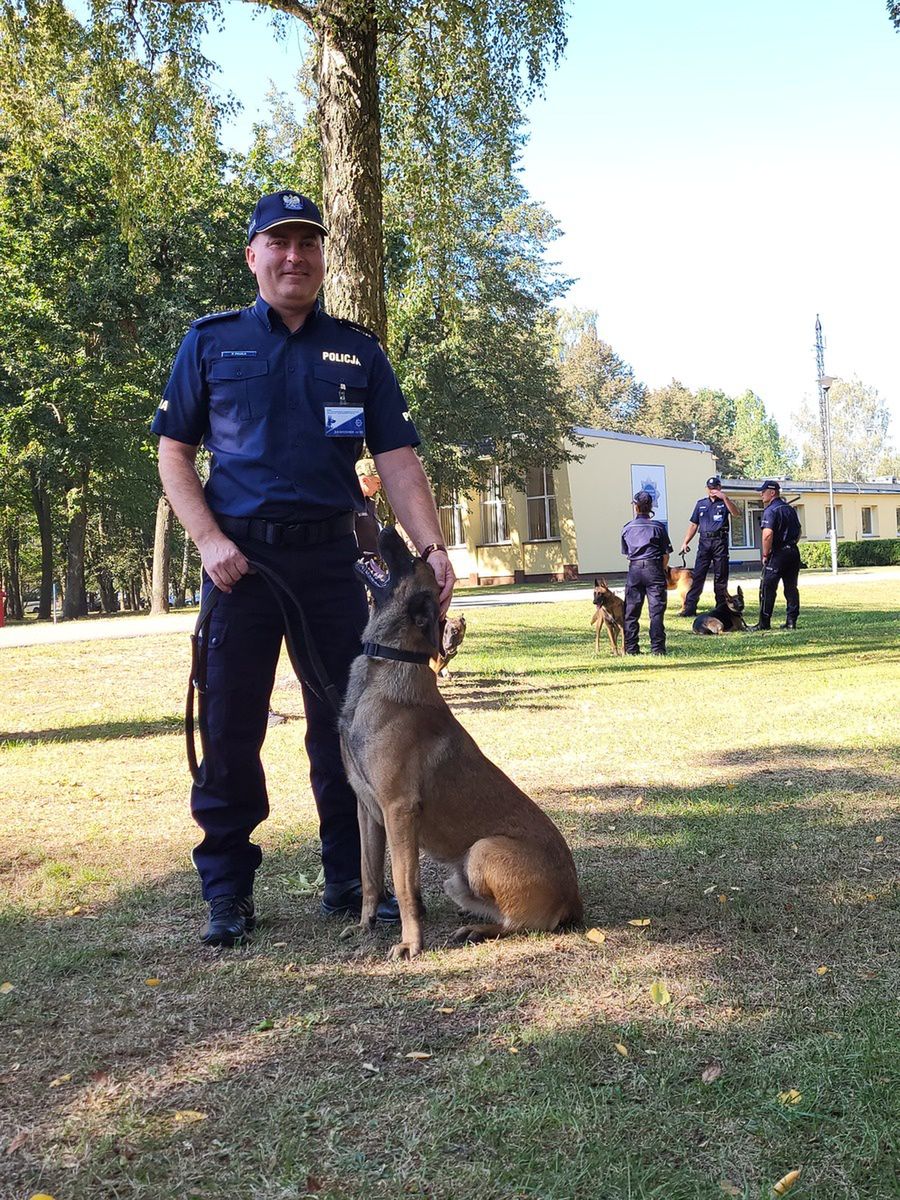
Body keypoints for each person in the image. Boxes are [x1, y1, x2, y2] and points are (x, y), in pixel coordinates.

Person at [152, 189, 455, 947]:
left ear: (323, 258)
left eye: (308, 245)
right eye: (278, 244)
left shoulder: (358, 350)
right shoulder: (212, 343)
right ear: (253, 256)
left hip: (332, 559)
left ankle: (352, 878)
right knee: (229, 727)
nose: (294, 257)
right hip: (240, 563)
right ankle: (227, 892)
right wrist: (208, 541)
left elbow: (397, 457)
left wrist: (432, 546)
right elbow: (174, 452)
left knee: (347, 725)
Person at [677, 475, 740, 616]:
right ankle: (690, 608)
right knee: (698, 575)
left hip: (720, 542)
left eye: (715, 488)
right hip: (704, 542)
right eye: (710, 488)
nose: (713, 491)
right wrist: (685, 541)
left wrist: (725, 498)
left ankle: (721, 607)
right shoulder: (701, 504)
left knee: (720, 576)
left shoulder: (725, 503)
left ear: (720, 488)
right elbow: (694, 524)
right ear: (707, 489)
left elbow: (736, 514)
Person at [620, 490, 672, 655]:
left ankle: (631, 648)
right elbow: (666, 554)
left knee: (631, 612)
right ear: (650, 507)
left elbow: (627, 553)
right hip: (654, 568)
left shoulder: (627, 528)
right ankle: (657, 649)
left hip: (635, 569)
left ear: (636, 507)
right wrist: (661, 570)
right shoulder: (658, 527)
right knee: (656, 612)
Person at [750, 479, 801, 631]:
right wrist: (791, 544)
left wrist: (766, 554)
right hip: (792, 552)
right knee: (791, 588)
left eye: (763, 491)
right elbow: (798, 530)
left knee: (767, 587)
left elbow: (767, 535)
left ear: (772, 493)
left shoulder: (770, 510)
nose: (761, 494)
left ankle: (764, 623)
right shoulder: (790, 509)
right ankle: (791, 621)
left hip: (778, 553)